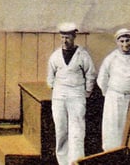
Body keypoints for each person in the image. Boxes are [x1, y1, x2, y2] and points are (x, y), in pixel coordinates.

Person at [47, 23, 96, 165]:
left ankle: (76, 162)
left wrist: (86, 92)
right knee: (61, 130)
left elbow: (90, 74)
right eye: (62, 37)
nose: (64, 41)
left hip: (77, 95)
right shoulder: (55, 56)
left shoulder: (82, 55)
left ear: (74, 37)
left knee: (77, 131)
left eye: (67, 37)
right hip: (59, 95)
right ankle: (62, 162)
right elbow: (50, 77)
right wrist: (55, 89)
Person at [97, 28, 130, 151]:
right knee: (113, 126)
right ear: (117, 42)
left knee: (127, 126)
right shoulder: (111, 58)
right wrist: (108, 93)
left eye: (127, 40)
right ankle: (111, 152)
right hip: (114, 98)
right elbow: (102, 78)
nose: (125, 44)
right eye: (122, 41)